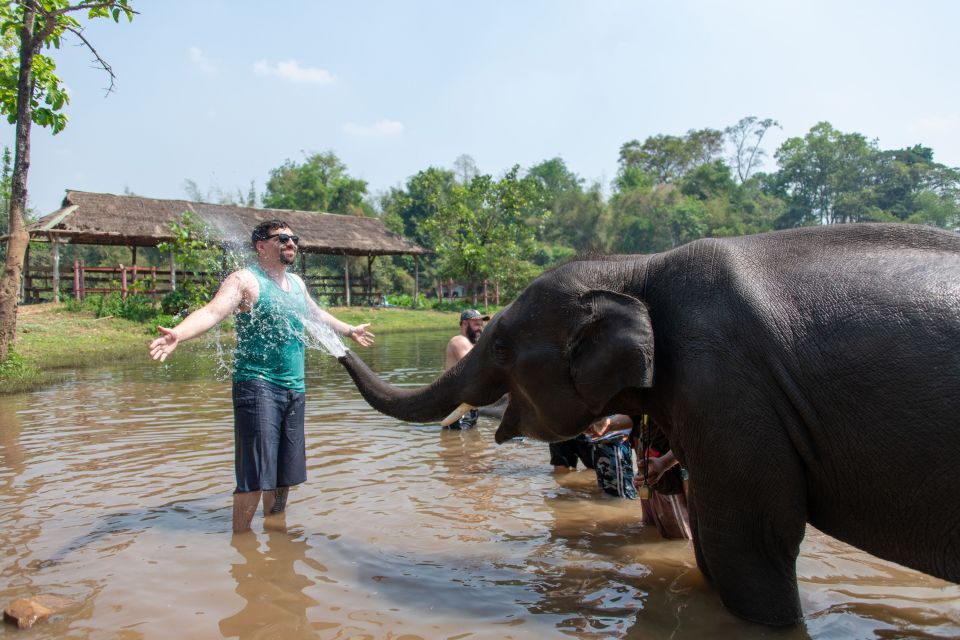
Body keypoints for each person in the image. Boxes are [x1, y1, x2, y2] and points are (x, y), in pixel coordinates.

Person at [148, 219, 375, 534]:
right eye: (283, 238)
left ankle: (275, 535)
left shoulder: (297, 284)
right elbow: (213, 312)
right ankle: (241, 540)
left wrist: (349, 330)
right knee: (255, 474)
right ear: (261, 245)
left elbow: (315, 314)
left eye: (294, 238)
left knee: (285, 475)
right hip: (257, 385)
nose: (291, 243)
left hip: (294, 388)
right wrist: (179, 334)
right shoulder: (245, 280)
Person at [635, 415, 691, 539]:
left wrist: (665, 463)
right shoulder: (645, 401)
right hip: (648, 478)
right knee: (649, 530)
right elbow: (634, 422)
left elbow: (690, 439)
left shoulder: (675, 401)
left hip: (671, 483)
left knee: (681, 541)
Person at [443, 308, 489, 429]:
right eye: (476, 324)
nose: (480, 328)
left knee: (470, 443)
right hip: (457, 408)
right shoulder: (459, 341)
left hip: (468, 408)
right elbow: (473, 367)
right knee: (458, 444)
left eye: (481, 324)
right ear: (464, 324)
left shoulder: (473, 343)